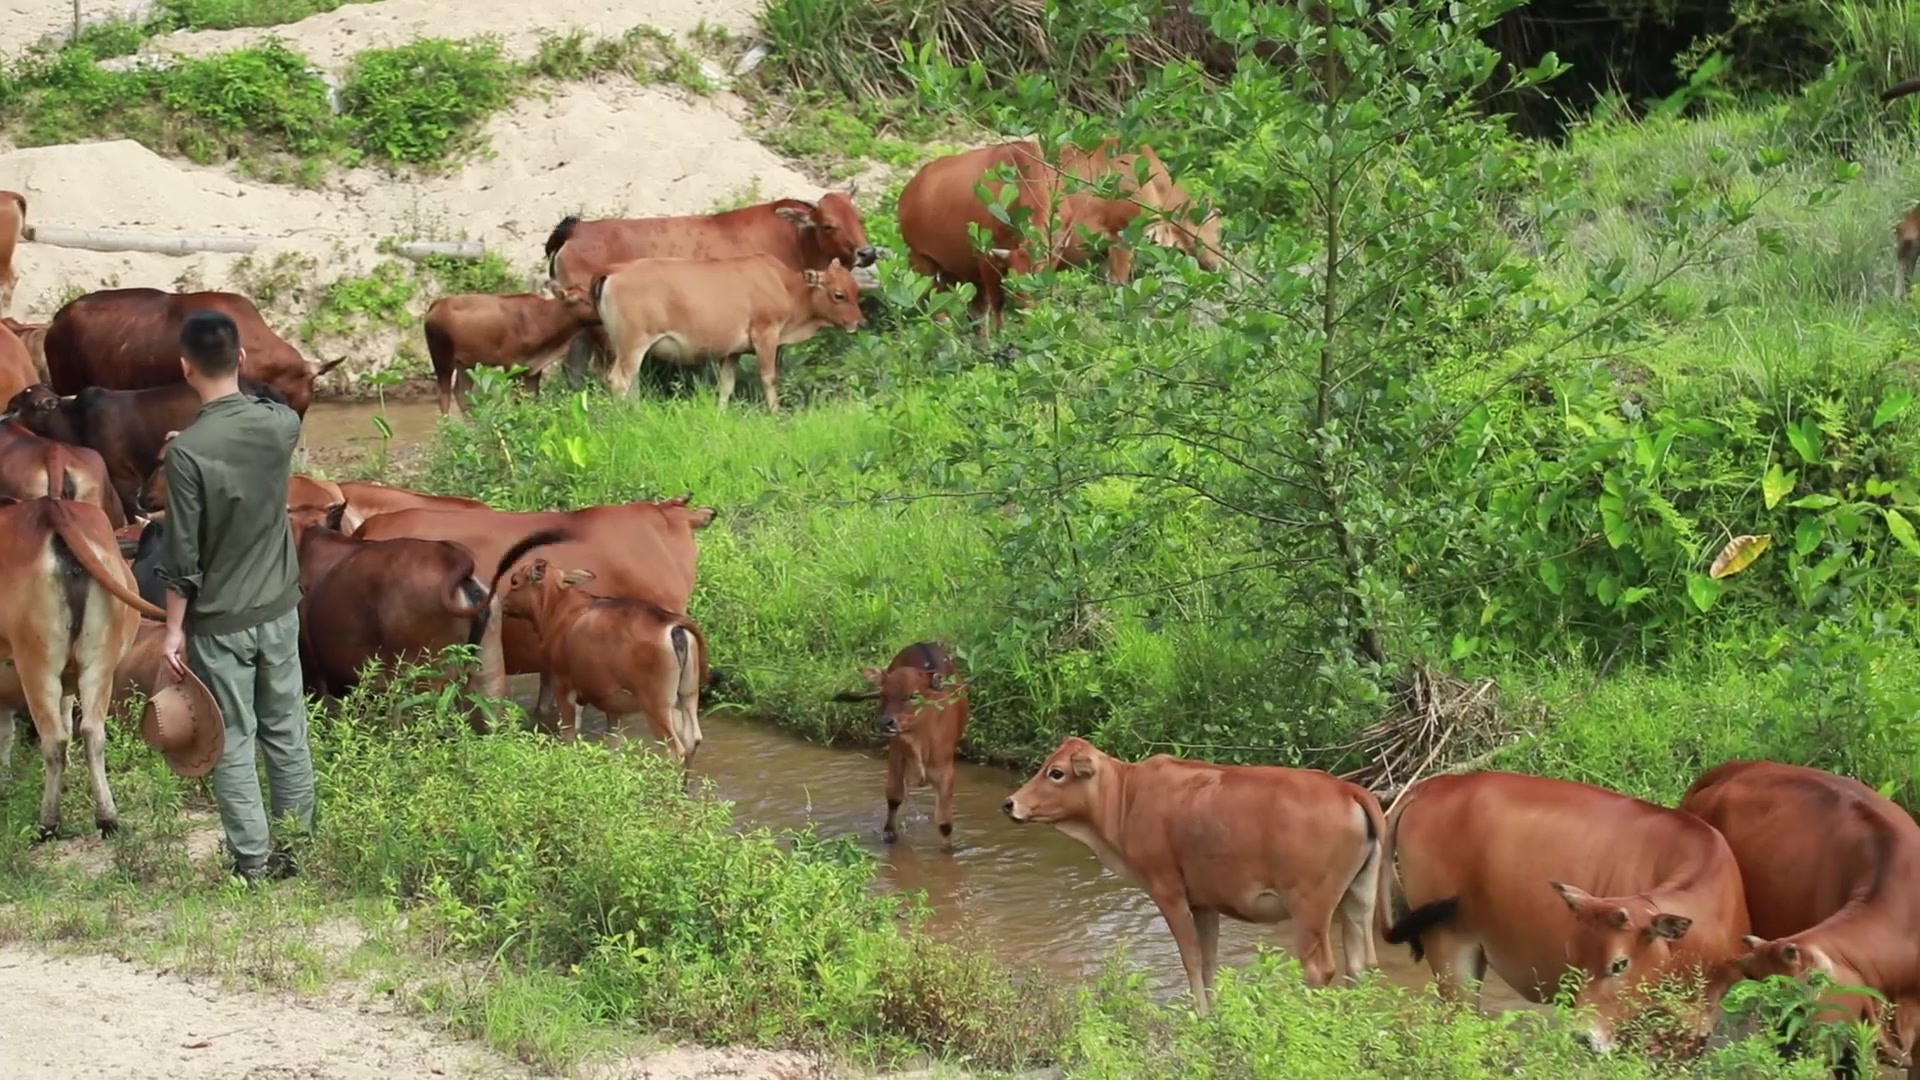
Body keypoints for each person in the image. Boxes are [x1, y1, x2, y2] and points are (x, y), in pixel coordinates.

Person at [158, 310, 313, 887]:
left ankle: (253, 863)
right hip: (278, 609)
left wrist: (173, 631)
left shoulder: (187, 454)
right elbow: (275, 407)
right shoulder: (280, 427)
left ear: (185, 367)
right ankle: (298, 851)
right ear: (242, 360)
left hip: (219, 623)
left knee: (233, 740)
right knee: (286, 731)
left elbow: (182, 558)